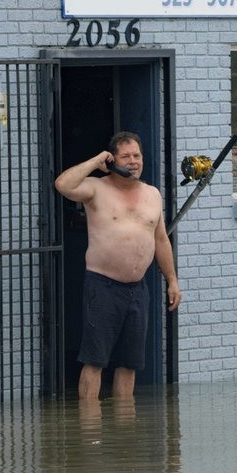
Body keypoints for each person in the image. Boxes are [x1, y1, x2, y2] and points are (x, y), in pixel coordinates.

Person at [54, 131, 181, 401]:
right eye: (126, 156)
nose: (133, 161)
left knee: (129, 364)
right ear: (113, 159)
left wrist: (172, 279)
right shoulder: (96, 188)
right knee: (95, 361)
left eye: (137, 155)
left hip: (138, 290)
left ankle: (124, 434)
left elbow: (161, 239)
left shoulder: (152, 194)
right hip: (103, 286)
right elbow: (63, 184)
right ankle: (90, 433)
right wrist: (95, 161)